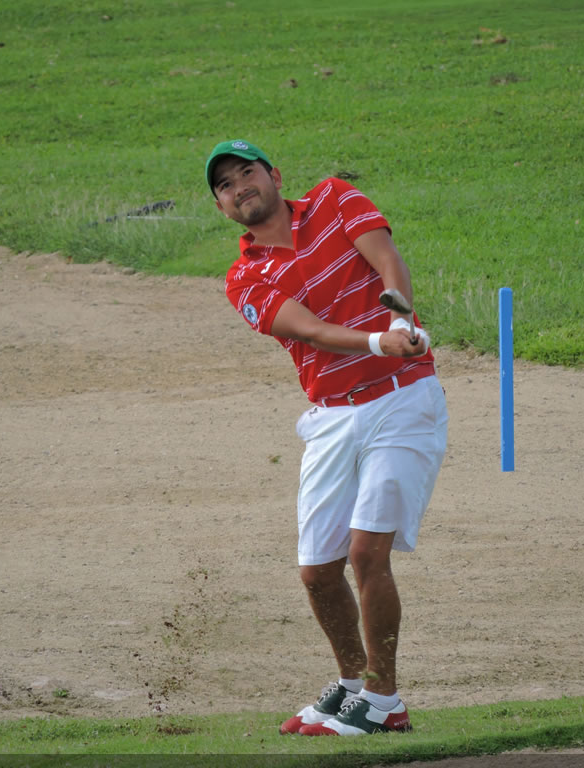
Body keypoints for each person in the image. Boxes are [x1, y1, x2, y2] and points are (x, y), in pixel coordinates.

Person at [205, 140, 448, 736]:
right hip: (332, 416)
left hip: (402, 398)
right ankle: (352, 684)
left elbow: (387, 261)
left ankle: (385, 701)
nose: (239, 187)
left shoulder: (335, 199)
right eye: (225, 185)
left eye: (247, 172)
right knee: (317, 571)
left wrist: (399, 320)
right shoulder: (244, 278)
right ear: (222, 207)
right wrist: (376, 341)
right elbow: (310, 330)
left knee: (366, 553)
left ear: (274, 175)